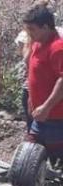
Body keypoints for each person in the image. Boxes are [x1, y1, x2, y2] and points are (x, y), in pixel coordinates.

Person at [23, 4, 63, 157]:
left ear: (46, 27)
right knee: (29, 159)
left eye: (32, 29)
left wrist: (46, 107)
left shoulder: (57, 48)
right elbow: (33, 73)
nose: (29, 34)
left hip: (56, 118)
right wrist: (31, 100)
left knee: (55, 162)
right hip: (39, 116)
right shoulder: (37, 44)